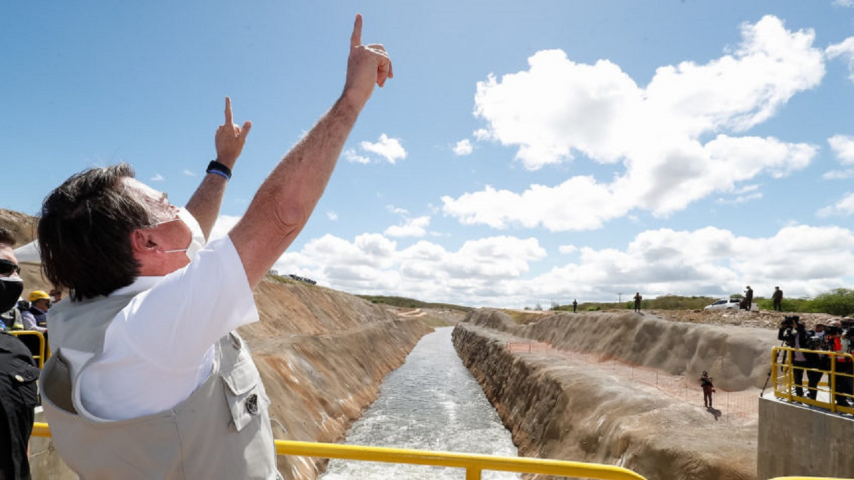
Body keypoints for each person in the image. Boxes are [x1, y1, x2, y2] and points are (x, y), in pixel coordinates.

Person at [38, 14, 392, 480]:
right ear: (145, 242)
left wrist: (222, 165)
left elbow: (189, 229)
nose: (177, 209)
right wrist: (351, 99)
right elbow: (281, 213)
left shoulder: (92, 311)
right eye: (163, 202)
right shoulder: (149, 331)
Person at [0, 226, 40, 480]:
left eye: (17, 270)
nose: (14, 278)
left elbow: (20, 441)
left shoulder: (16, 351)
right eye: (4, 268)